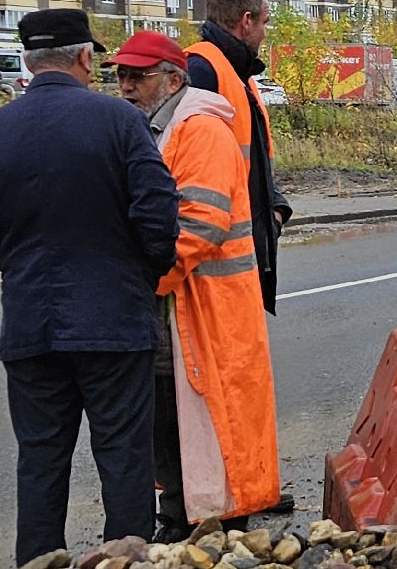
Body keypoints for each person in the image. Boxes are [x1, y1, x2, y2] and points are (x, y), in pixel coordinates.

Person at [0, 10, 179, 565]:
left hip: (31, 323)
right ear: (86, 58)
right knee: (123, 453)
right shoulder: (119, 122)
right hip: (115, 322)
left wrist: (12, 260)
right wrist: (139, 272)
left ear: (28, 60)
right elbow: (159, 215)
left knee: (41, 457)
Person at [109, 31, 282, 540]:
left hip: (206, 308)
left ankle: (213, 525)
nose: (125, 85)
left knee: (209, 420)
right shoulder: (161, 129)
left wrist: (145, 282)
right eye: (120, 74)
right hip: (186, 307)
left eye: (137, 75)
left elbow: (197, 226)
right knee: (175, 418)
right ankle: (186, 516)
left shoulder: (198, 131)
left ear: (173, 79)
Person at [185, 0, 291, 315]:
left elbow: (254, 157)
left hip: (244, 247)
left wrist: (276, 208)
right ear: (246, 21)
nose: (264, 31)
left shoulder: (238, 74)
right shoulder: (201, 70)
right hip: (215, 258)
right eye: (264, 22)